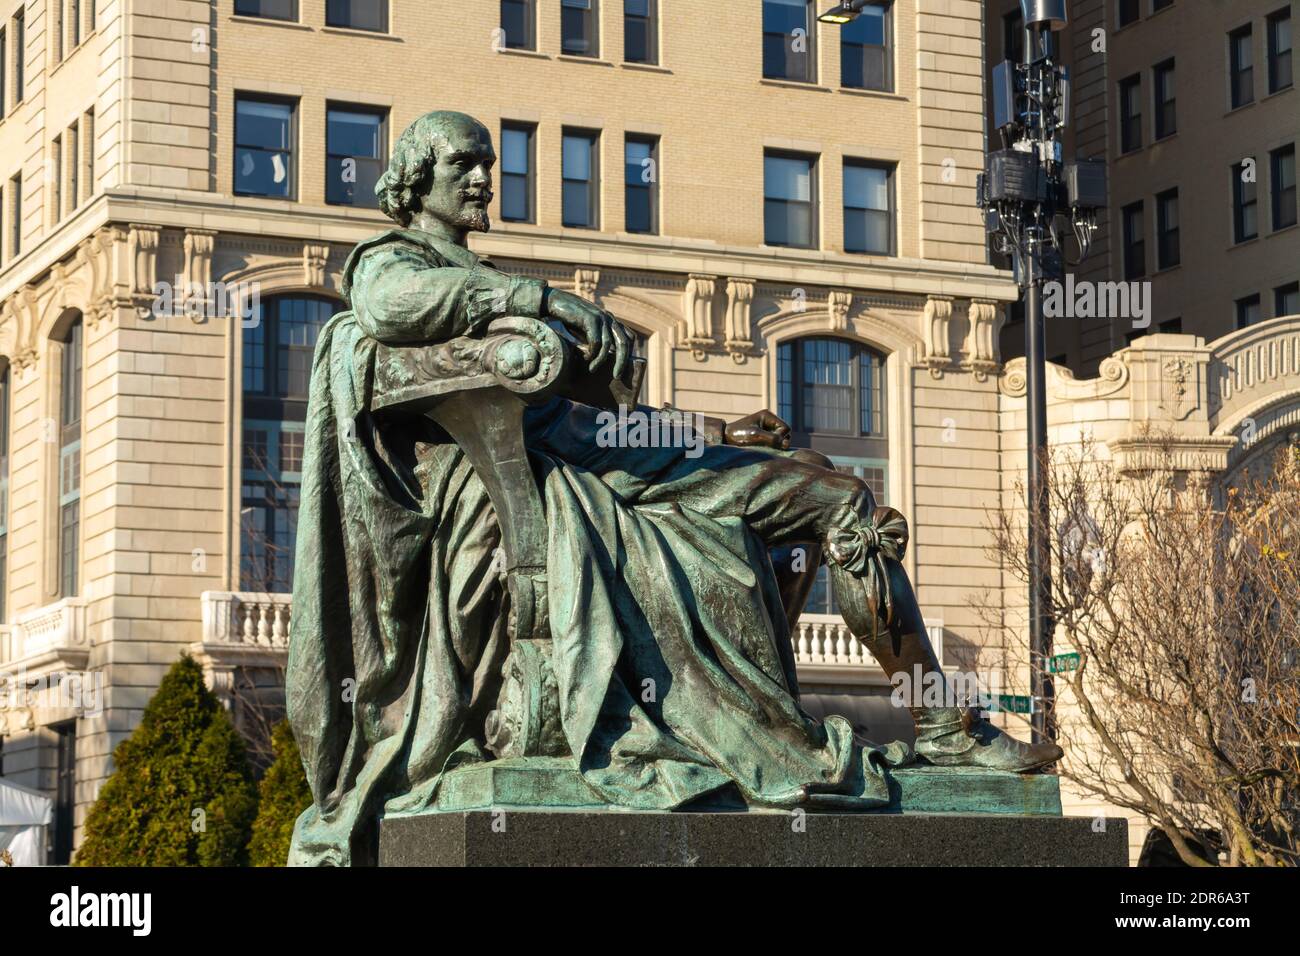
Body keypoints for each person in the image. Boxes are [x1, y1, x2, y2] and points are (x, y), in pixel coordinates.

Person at [286, 111, 1061, 866]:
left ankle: (939, 724)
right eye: (466, 165)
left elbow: (599, 418)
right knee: (781, 517)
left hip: (626, 461)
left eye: (490, 162)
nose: (487, 178)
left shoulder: (479, 277)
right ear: (419, 179)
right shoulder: (392, 261)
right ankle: (809, 726)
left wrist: (714, 433)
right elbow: (387, 309)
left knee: (837, 496)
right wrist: (540, 298)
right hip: (559, 487)